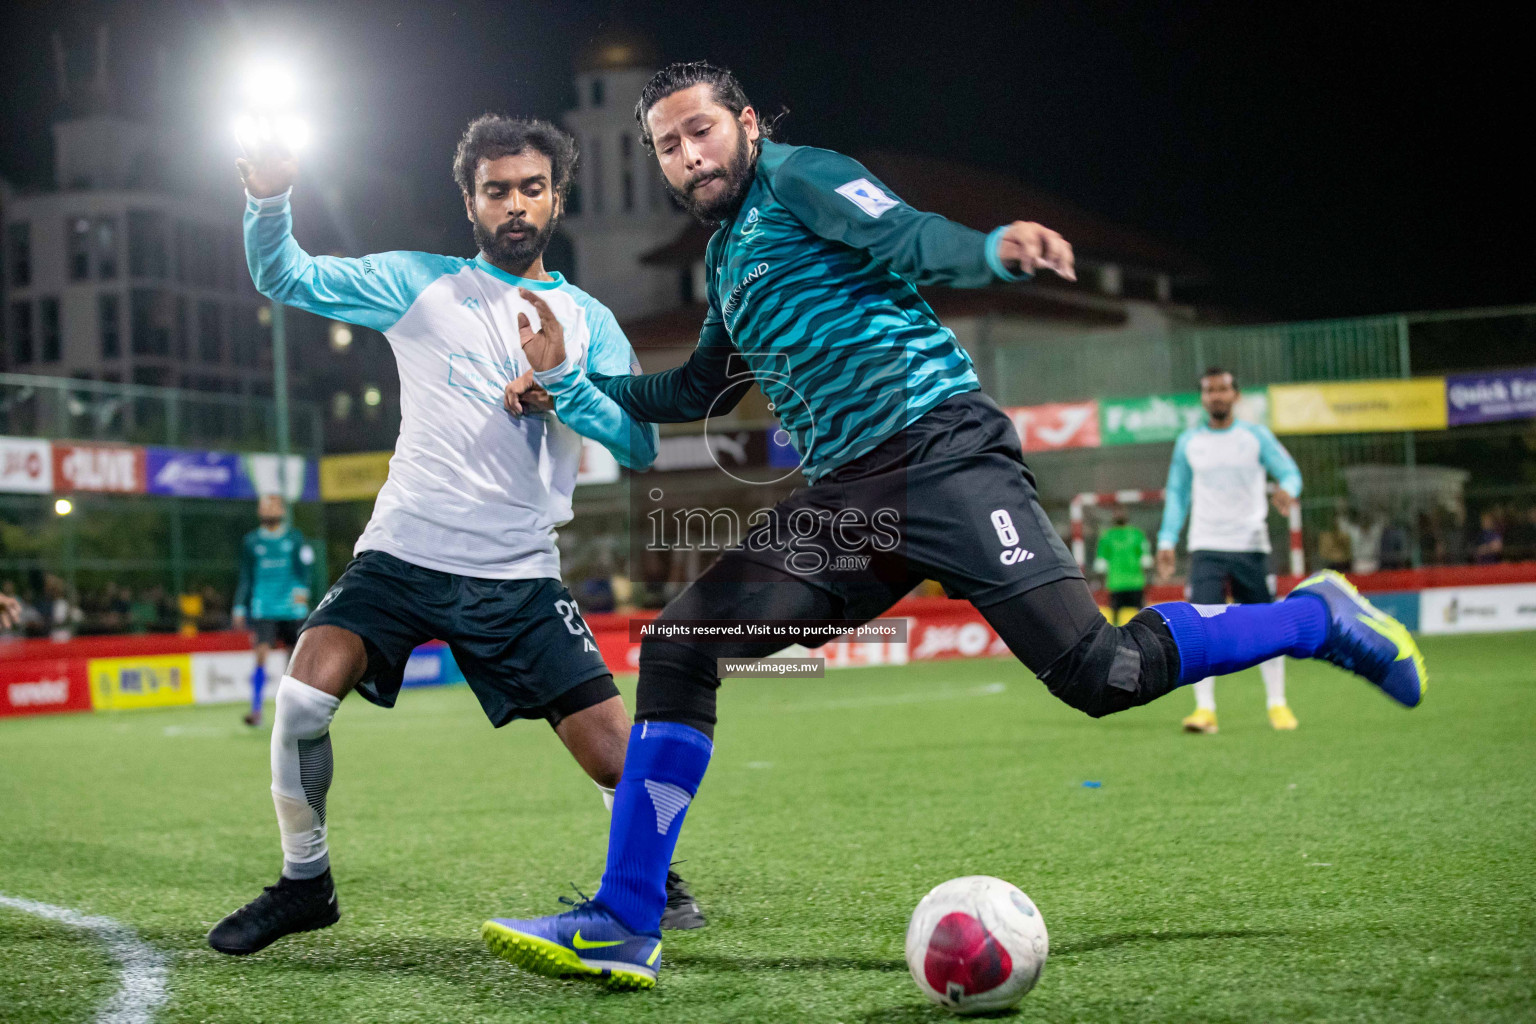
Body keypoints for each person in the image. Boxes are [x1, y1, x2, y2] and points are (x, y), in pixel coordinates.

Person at [485, 63, 1427, 990]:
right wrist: (573, 378)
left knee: (1103, 675)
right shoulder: (729, 257)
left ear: (748, 125)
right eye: (667, 147)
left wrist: (987, 252)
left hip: (943, 458)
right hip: (848, 497)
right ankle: (625, 919)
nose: (689, 157)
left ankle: (1316, 619)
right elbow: (695, 388)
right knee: (683, 644)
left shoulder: (802, 177)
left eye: (702, 131)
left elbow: (903, 234)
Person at [206, 114, 705, 959]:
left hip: (518, 573)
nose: (516, 206)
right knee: (300, 699)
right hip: (402, 553)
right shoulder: (417, 283)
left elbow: (639, 443)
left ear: (558, 197)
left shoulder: (588, 322)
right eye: (497, 191)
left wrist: (562, 383)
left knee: (624, 763)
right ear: (470, 201)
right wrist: (270, 194)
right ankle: (305, 883)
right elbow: (282, 275)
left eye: (532, 189)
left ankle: (652, 877)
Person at [1156, 368, 1304, 734]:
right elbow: (1177, 493)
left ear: (1235, 395)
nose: (1216, 396)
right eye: (1209, 390)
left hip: (1250, 546)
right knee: (1198, 629)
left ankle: (1278, 704)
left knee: (1269, 627)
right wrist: (1166, 539)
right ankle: (1204, 710)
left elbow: (1290, 473)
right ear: (1202, 397)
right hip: (1206, 546)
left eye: (1223, 389)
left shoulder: (1255, 437)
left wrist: (1287, 488)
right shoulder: (1189, 442)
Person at [232, 493, 315, 727]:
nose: (268, 509)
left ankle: (295, 710)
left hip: (291, 608)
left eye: (273, 505)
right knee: (261, 654)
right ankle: (256, 709)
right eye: (264, 505)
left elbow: (304, 571)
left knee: (294, 659)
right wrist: (239, 605)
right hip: (264, 607)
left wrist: (302, 594)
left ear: (281, 510)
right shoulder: (251, 542)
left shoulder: (294, 538)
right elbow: (246, 576)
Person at [1093, 508, 1151, 625]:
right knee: (1142, 613)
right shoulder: (1136, 534)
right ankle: (1146, 630)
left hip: (1116, 582)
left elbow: (1101, 563)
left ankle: (1114, 638)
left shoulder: (1107, 536)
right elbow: (1146, 560)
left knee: (1115, 616)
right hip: (1135, 581)